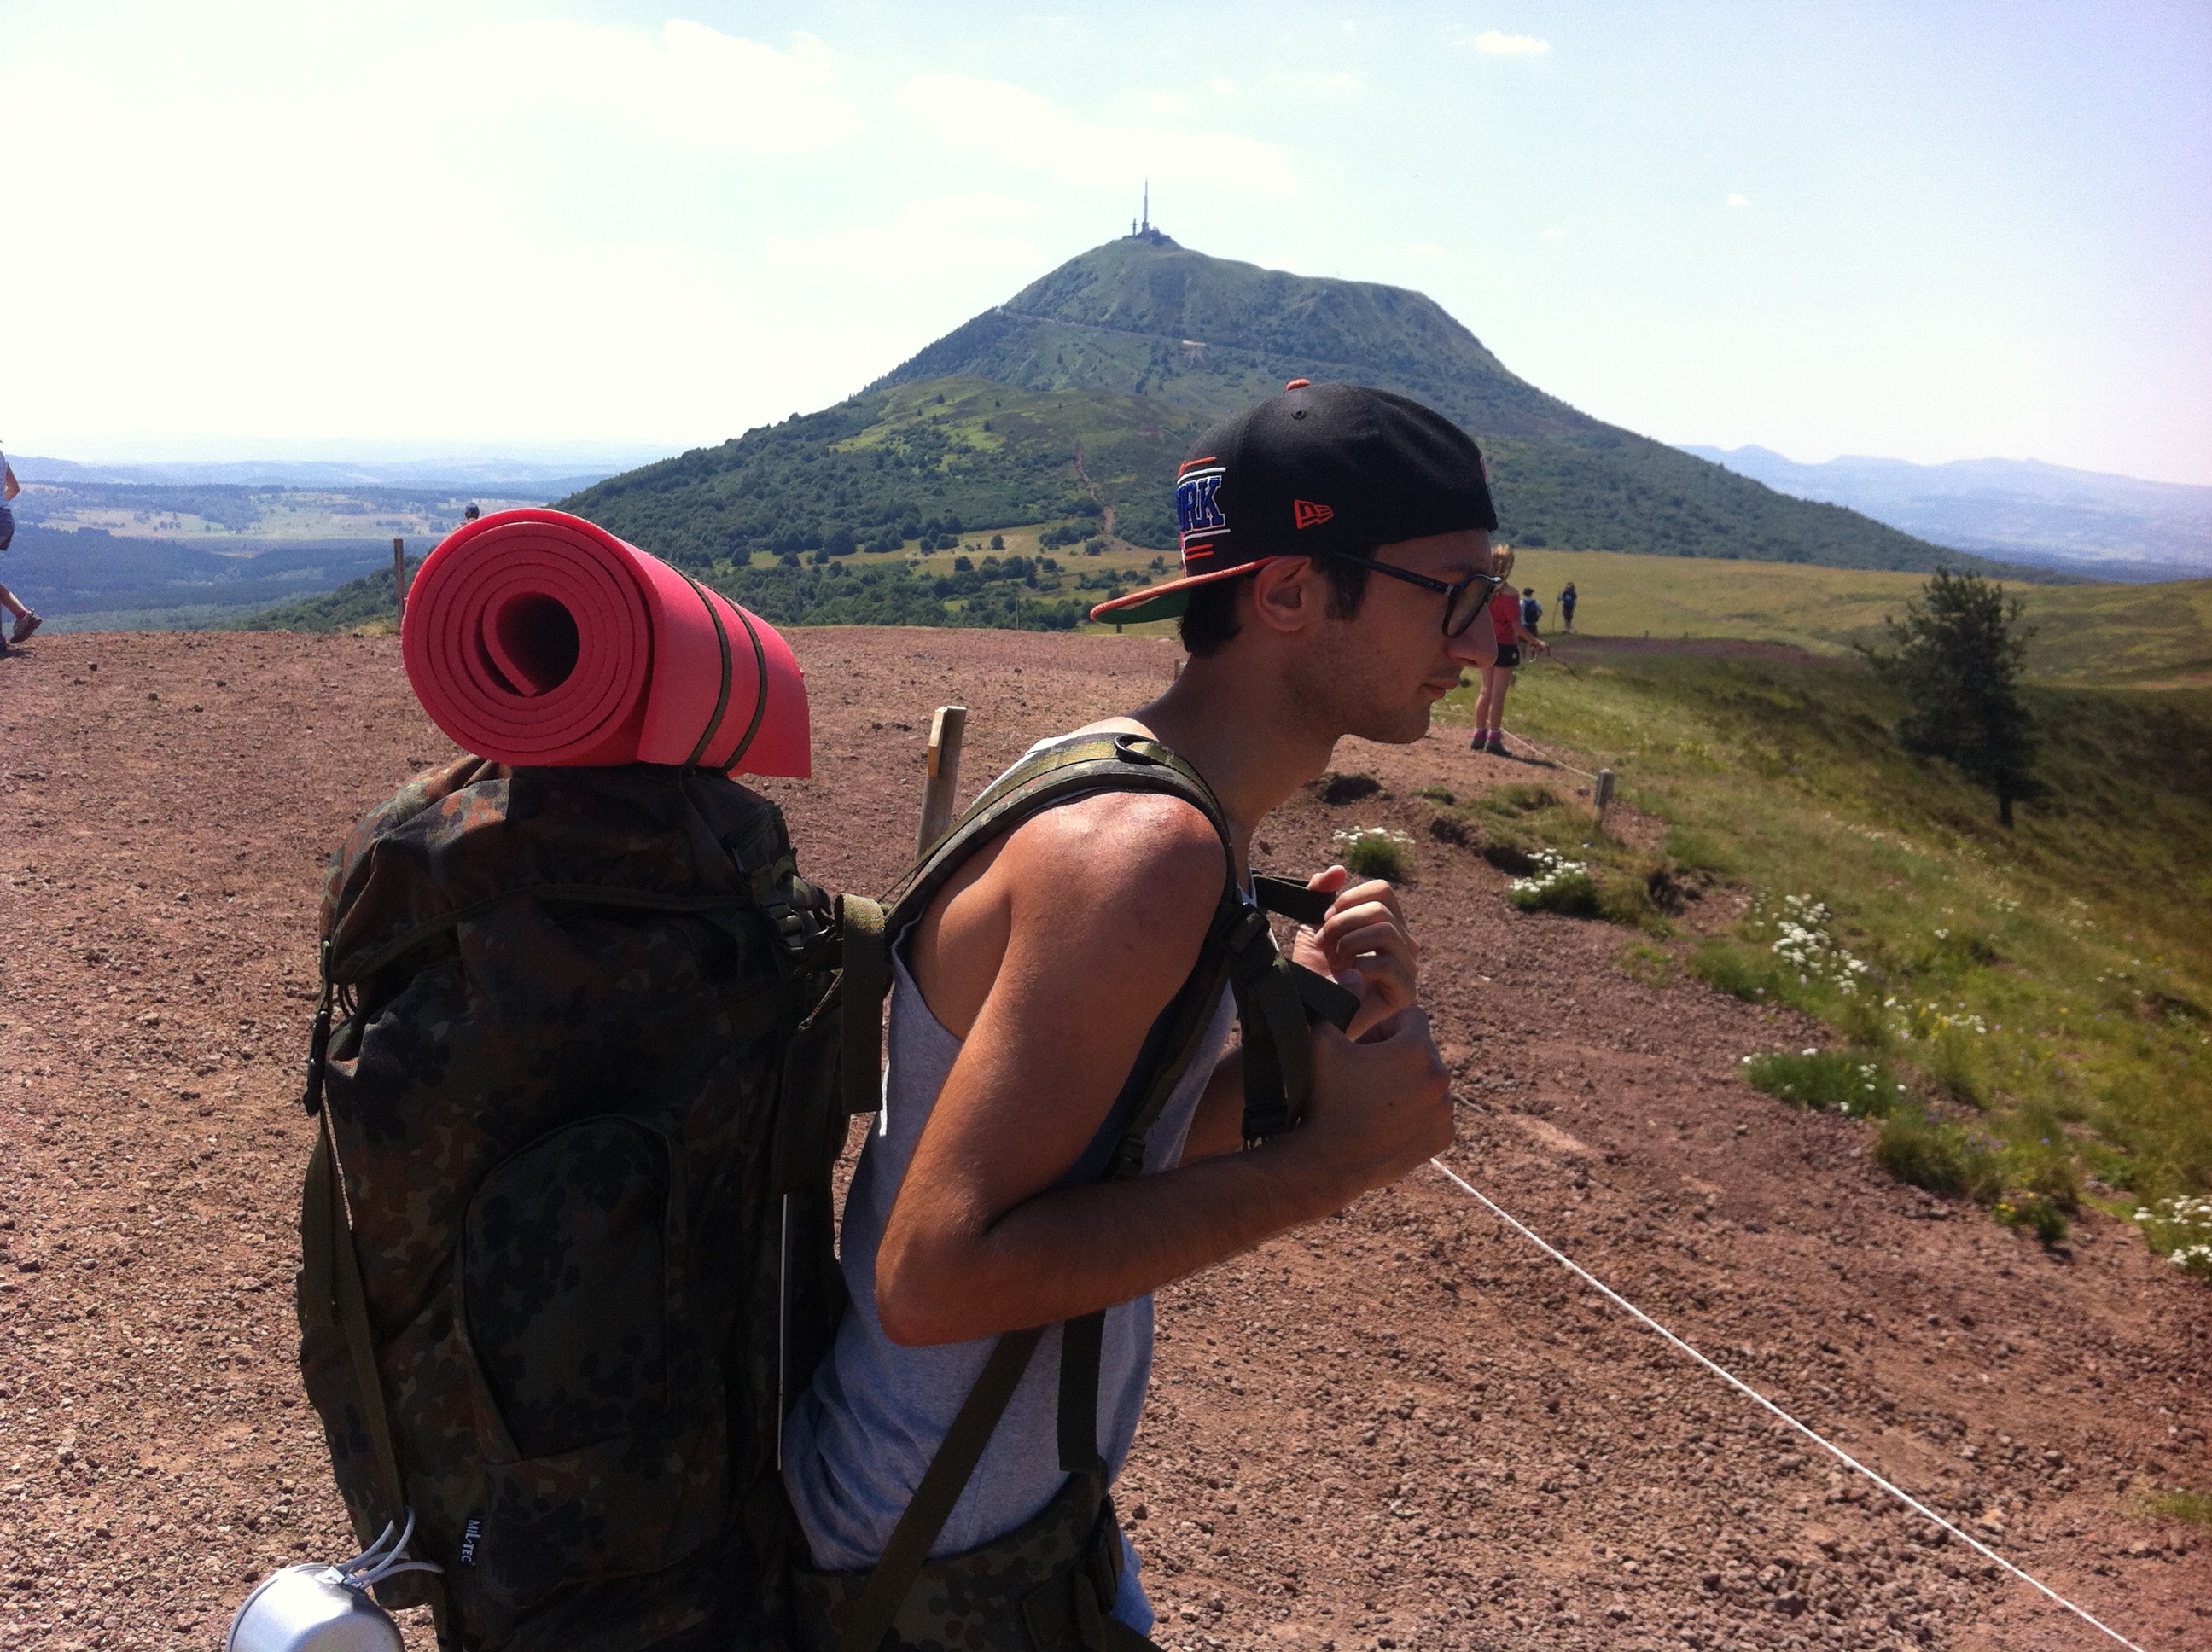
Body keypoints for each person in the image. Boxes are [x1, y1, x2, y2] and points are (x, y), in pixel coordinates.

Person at [782, 381, 1485, 1641]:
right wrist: (1332, 1166)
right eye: (1455, 591)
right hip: (927, 1571)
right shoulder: (1143, 853)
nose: (1485, 640)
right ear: (1289, 593)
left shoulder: (1155, 798)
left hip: (1005, 1530)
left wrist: (1311, 1027)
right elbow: (933, 1277)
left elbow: (1116, 1148)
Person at [1469, 548, 1546, 755]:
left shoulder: (1482, 589)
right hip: (1504, 646)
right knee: (1497, 694)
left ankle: (1478, 734)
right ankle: (1494, 738)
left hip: (1485, 643)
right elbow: (1517, 627)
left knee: (1485, 690)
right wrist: (1536, 641)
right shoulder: (1510, 593)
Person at [0, 440, 38, 647]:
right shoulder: (0, 454)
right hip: (5, 519)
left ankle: (22, 615)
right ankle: (22, 616)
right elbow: (14, 488)